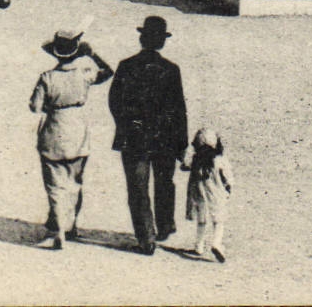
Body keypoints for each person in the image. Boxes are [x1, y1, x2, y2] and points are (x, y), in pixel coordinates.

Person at [108, 15, 188, 254]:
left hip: (135, 136)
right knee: (164, 183)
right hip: (164, 137)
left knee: (137, 187)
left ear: (142, 39)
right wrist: (181, 142)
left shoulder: (126, 66)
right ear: (162, 42)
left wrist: (125, 125)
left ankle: (146, 238)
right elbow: (179, 108)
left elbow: (114, 101)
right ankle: (164, 226)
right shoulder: (171, 69)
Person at [30, 23, 114, 249]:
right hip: (77, 129)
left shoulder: (47, 77)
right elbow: (108, 72)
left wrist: (50, 104)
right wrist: (93, 55)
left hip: (54, 128)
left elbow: (35, 107)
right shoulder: (84, 74)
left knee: (55, 183)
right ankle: (72, 225)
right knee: (75, 181)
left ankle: (58, 231)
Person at [181, 127, 234, 262]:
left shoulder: (196, 161)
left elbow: (184, 165)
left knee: (201, 220)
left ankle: (199, 245)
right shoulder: (219, 160)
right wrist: (229, 187)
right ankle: (216, 243)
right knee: (218, 220)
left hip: (198, 194)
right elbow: (228, 177)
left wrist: (191, 151)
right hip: (216, 194)